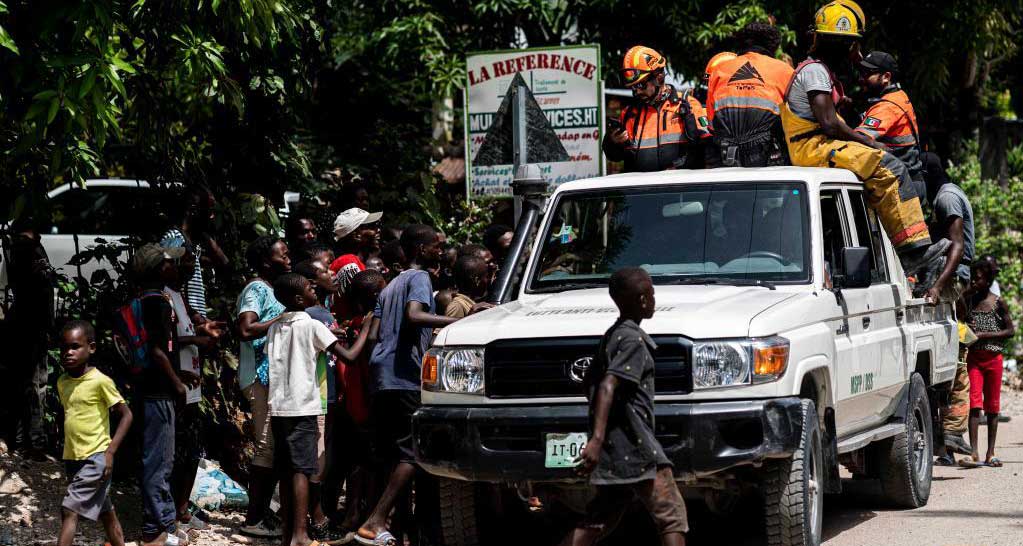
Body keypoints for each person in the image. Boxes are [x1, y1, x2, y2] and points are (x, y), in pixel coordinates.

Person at [780, 0, 947, 279]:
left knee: (883, 175)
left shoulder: (822, 72)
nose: (854, 53)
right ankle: (912, 253)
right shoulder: (815, 72)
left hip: (817, 146)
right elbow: (829, 124)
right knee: (891, 169)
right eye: (851, 45)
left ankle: (909, 252)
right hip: (814, 148)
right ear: (843, 44)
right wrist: (869, 143)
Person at [355, 225, 487, 545]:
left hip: (382, 376)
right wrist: (461, 322)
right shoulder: (420, 278)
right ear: (419, 250)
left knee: (393, 457)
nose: (440, 252)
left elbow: (372, 336)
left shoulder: (388, 287)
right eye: (435, 247)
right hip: (404, 377)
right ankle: (376, 521)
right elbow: (414, 316)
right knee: (415, 453)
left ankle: (395, 529)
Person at [564, 268, 687, 546]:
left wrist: (603, 436)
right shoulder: (632, 340)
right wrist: (596, 440)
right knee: (671, 514)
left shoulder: (613, 335)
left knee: (601, 516)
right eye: (652, 294)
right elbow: (607, 385)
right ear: (643, 300)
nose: (655, 299)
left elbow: (589, 383)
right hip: (636, 444)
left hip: (615, 446)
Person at [267, 273, 370, 546]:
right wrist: (368, 328)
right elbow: (349, 355)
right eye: (310, 287)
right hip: (304, 407)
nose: (315, 289)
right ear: (300, 298)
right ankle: (301, 536)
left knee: (288, 469)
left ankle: (289, 533)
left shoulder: (275, 326)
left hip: (279, 407)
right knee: (303, 469)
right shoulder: (312, 324)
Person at [133, 244, 195, 546]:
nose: (177, 265)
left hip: (153, 388)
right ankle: (153, 531)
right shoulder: (157, 302)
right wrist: (178, 384)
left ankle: (165, 522)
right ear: (161, 269)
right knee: (158, 462)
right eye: (171, 262)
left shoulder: (147, 299)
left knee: (161, 459)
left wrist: (178, 376)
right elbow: (157, 350)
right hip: (158, 393)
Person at [921, 155, 977, 464]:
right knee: (953, 348)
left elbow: (955, 245)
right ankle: (948, 432)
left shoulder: (946, 198)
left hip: (953, 277)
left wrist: (938, 286)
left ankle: (954, 429)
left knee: (953, 355)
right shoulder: (952, 193)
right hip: (957, 278)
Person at [163, 249, 224, 531]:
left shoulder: (180, 295)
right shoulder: (163, 296)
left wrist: (204, 329)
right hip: (178, 380)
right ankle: (173, 514)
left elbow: (186, 328)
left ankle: (183, 509)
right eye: (185, 262)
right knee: (177, 450)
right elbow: (167, 338)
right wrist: (199, 338)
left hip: (192, 380)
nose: (190, 268)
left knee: (189, 448)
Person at [56, 321, 132, 546]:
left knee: (69, 509)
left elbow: (127, 415)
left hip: (97, 457)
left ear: (92, 348)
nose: (68, 352)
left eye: (75, 346)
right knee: (106, 510)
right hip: (73, 458)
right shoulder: (62, 382)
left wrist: (110, 452)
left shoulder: (100, 381)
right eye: (64, 348)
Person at [236, 236, 291, 538]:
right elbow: (246, 328)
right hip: (259, 377)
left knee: (272, 447)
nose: (288, 257)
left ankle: (262, 514)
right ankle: (253, 518)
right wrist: (283, 318)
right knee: (265, 447)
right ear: (266, 261)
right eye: (283, 254)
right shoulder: (256, 289)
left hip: (271, 378)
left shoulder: (271, 289)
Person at [292, 259, 348, 542]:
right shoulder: (314, 315)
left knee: (323, 459)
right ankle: (315, 519)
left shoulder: (323, 312)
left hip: (327, 393)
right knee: (317, 460)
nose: (333, 274)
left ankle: (316, 516)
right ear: (312, 283)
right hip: (319, 395)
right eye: (326, 271)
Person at [602, 46, 711, 172]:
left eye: (640, 85)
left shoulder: (687, 105)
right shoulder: (629, 114)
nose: (637, 91)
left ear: (659, 78)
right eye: (633, 87)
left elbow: (709, 151)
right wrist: (613, 142)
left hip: (681, 189)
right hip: (643, 190)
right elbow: (614, 156)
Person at [706, 23, 793, 167]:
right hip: (771, 159)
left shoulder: (719, 70)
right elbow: (795, 120)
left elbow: (711, 124)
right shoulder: (785, 71)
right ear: (774, 47)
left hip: (727, 158)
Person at [4, 220, 55, 459]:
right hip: (30, 327)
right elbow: (37, 292)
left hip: (28, 326)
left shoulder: (20, 248)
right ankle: (32, 442)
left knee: (29, 385)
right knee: (32, 386)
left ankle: (24, 440)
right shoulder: (27, 249)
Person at [960, 260, 1015, 468]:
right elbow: (960, 318)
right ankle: (973, 453)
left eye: (978, 278)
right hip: (974, 359)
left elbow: (1010, 331)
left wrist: (984, 335)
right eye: (972, 277)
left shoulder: (998, 302)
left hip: (993, 360)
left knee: (992, 407)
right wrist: (964, 296)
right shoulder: (970, 300)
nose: (974, 281)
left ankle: (990, 453)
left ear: (989, 279)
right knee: (975, 405)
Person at [854, 51, 925, 183]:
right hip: (910, 178)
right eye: (860, 72)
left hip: (902, 183)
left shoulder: (887, 107)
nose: (861, 79)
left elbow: (859, 139)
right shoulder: (899, 95)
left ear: (886, 77)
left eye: (867, 74)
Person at [161, 188, 230, 319]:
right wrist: (192, 316)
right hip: (183, 321)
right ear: (193, 210)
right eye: (209, 211)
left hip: (192, 321)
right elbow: (166, 286)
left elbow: (224, 263)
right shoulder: (174, 238)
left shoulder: (193, 243)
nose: (212, 216)